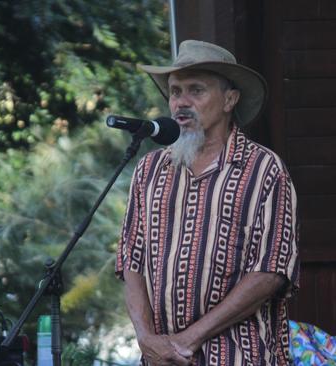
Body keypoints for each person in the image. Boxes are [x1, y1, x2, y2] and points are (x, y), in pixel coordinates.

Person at [116, 40, 299, 366]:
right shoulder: (149, 169)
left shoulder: (264, 169)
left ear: (230, 99)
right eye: (175, 92)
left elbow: (270, 272)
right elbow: (132, 262)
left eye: (196, 90)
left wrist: (187, 340)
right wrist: (147, 342)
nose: (180, 103)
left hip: (239, 358)